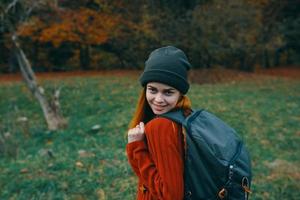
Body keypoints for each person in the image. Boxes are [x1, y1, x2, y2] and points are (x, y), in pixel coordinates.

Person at [126, 46, 192, 200]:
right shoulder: (185, 114)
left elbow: (170, 195)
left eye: (168, 92)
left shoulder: (161, 127)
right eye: (153, 90)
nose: (158, 99)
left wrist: (137, 147)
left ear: (180, 93)